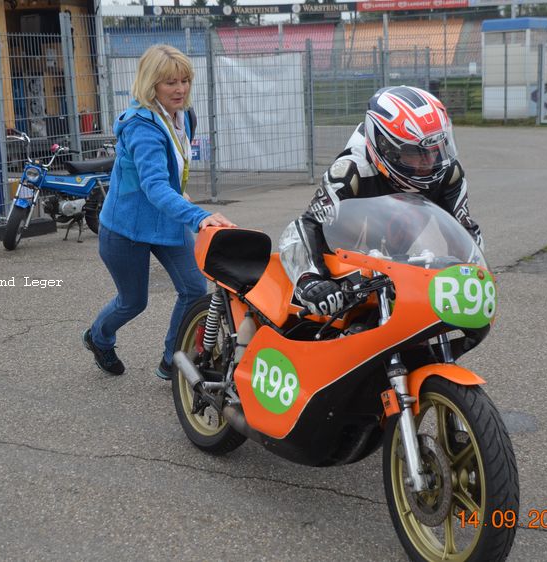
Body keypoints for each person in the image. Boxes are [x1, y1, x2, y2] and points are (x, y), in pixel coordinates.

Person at [83, 44, 234, 380]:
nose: (180, 89)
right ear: (151, 84)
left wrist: (179, 193)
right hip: (125, 228)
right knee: (133, 302)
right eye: (170, 83)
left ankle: (173, 361)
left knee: (195, 289)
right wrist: (197, 215)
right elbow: (153, 185)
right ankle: (99, 337)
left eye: (184, 81)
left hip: (165, 220)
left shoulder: (184, 116)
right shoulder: (141, 126)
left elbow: (171, 169)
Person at [279, 85, 483, 316]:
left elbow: (464, 229)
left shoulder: (448, 172)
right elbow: (305, 226)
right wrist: (311, 279)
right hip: (338, 274)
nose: (429, 162)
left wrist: (470, 271)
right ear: (385, 147)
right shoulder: (351, 172)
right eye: (415, 153)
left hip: (398, 264)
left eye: (437, 148)